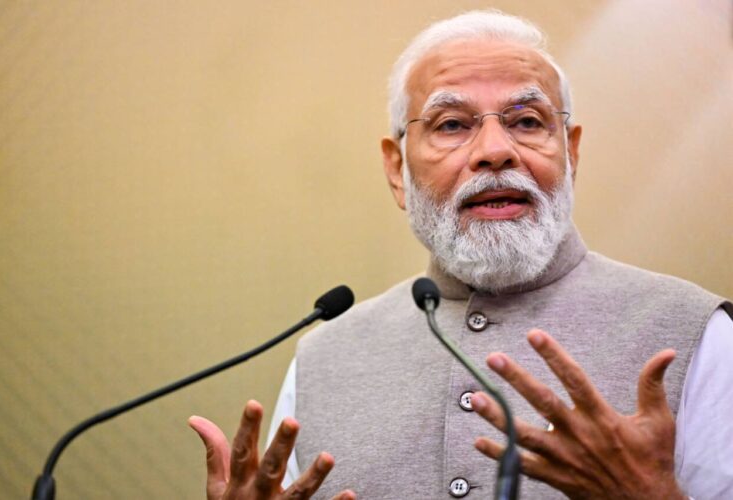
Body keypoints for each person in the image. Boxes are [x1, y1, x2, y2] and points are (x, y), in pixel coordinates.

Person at [189, 9, 733, 499]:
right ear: (397, 170)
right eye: (452, 125)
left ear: (570, 152)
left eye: (526, 121)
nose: (496, 152)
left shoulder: (696, 334)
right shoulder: (323, 359)